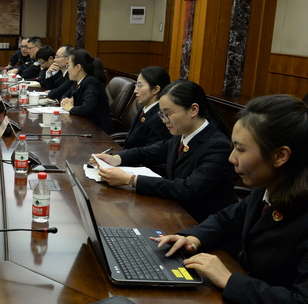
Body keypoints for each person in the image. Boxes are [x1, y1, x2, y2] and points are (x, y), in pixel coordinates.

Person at [153, 95, 308, 304]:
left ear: (280, 156)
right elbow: (227, 219)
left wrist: (229, 280)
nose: (231, 158)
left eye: (241, 149)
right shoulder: (266, 188)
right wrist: (192, 237)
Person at [96, 80, 237, 222]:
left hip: (203, 221)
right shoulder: (182, 134)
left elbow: (188, 189)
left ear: (194, 109)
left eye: (168, 113)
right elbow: (149, 152)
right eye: (161, 114)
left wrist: (131, 180)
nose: (164, 120)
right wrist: (115, 158)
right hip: (177, 211)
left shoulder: (217, 146)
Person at [59, 49, 114, 134]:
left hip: (97, 131)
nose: (67, 69)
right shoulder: (79, 81)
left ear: (78, 67)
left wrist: (70, 108)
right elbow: (65, 95)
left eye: (68, 66)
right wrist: (65, 100)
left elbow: (86, 109)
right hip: (83, 126)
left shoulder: (92, 83)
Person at [122, 66, 172, 149]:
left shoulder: (160, 117)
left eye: (140, 86)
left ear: (156, 89)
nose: (135, 91)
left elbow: (152, 152)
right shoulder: (146, 107)